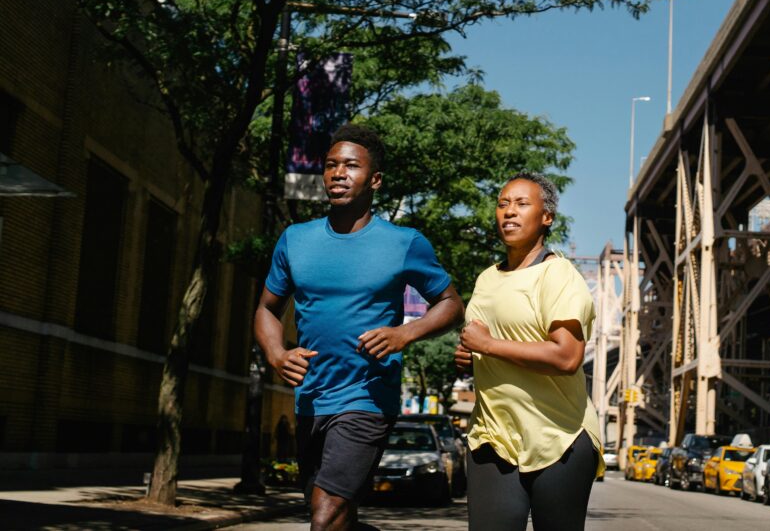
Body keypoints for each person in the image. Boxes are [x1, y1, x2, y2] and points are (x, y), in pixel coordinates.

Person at [255, 124, 464, 531]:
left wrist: (405, 333)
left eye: (351, 165)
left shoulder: (404, 243)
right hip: (312, 398)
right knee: (337, 514)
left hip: (367, 396)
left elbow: (452, 305)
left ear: (376, 179)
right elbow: (266, 308)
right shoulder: (295, 239)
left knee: (326, 511)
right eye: (331, 165)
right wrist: (276, 353)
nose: (338, 173)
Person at [455, 172, 602, 531]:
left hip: (558, 436)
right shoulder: (487, 278)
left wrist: (489, 346)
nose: (509, 212)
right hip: (493, 434)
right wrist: (472, 355)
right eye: (503, 203)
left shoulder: (558, 275)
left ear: (546, 217)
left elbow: (567, 357)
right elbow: (486, 341)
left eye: (522, 204)